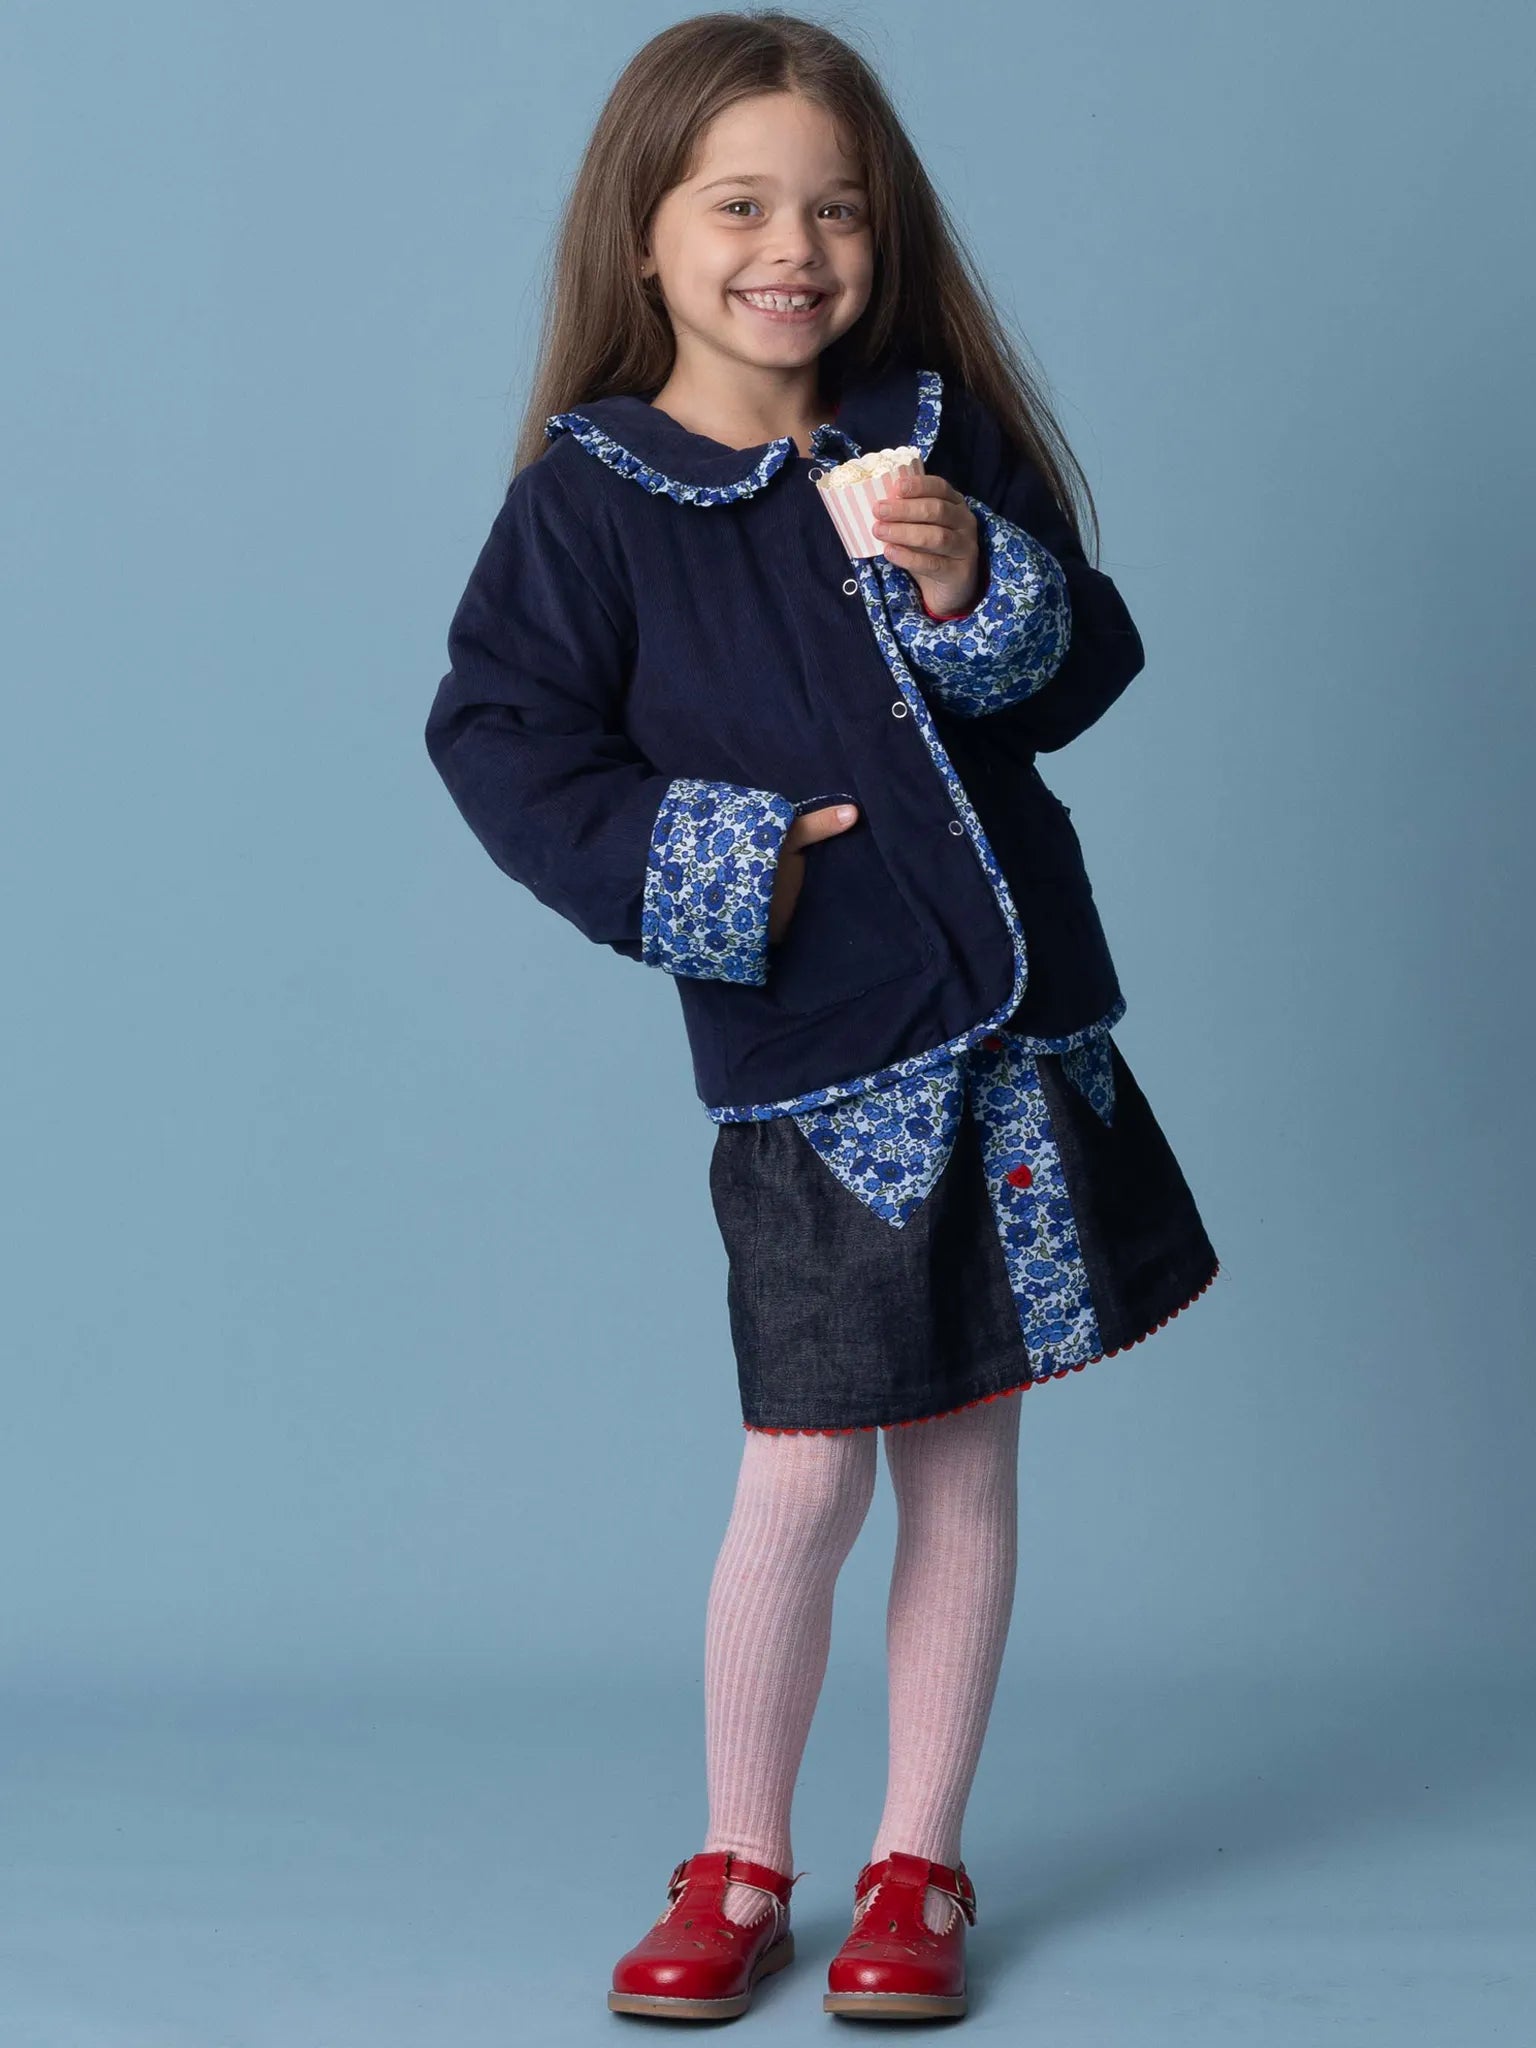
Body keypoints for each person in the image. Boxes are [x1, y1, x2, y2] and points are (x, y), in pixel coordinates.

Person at [424, 9, 1220, 2023]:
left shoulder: (931, 443)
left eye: (838, 208)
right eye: (744, 204)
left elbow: (1084, 665)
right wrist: (719, 867)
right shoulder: (589, 500)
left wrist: (976, 588)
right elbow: (503, 742)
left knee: (968, 1456)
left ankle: (915, 1866)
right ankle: (744, 1854)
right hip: (818, 1063)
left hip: (1018, 1040)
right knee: (804, 1465)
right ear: (646, 235)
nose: (797, 247)